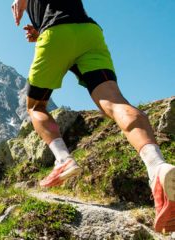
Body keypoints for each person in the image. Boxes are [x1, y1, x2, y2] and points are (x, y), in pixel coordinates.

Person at [11, 0, 175, 233]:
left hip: (56, 34)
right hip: (89, 32)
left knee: (35, 107)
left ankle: (63, 160)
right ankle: (157, 167)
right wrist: (39, 28)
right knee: (114, 101)